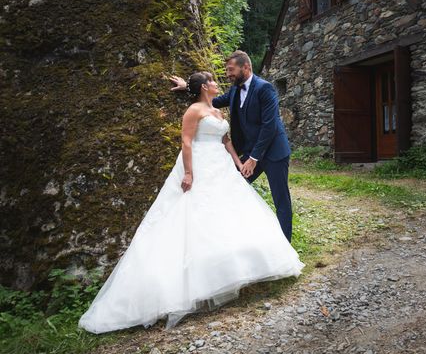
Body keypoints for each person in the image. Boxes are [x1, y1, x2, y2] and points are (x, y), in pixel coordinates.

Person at [79, 72, 303, 334]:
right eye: (211, 80)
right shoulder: (194, 110)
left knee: (229, 214)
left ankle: (236, 268)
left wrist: (238, 162)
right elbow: (186, 141)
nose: (217, 81)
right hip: (199, 165)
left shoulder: (216, 110)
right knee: (194, 216)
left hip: (220, 166)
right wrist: (188, 172)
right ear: (205, 87)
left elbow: (226, 140)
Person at [169, 51, 293, 241]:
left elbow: (270, 126)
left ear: (246, 67)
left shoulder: (265, 88)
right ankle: (231, 239)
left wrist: (253, 159)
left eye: (231, 70)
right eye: (227, 70)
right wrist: (189, 87)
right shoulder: (235, 90)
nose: (227, 74)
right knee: (232, 187)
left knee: (281, 200)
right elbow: (210, 102)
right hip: (251, 153)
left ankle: (285, 245)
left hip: (274, 153)